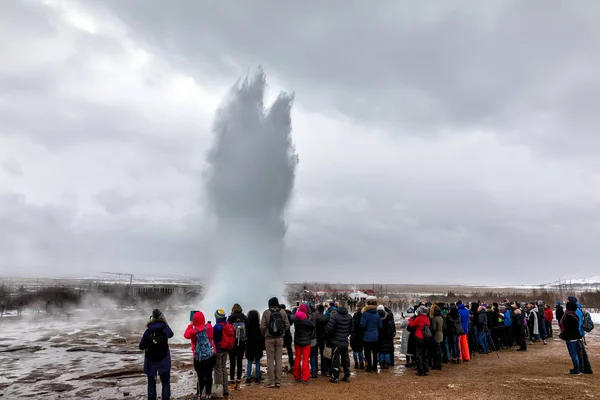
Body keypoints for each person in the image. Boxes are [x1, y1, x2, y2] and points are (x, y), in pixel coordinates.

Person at [139, 309, 174, 400]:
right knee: (165, 383)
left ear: (152, 318)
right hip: (164, 360)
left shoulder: (148, 330)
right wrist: (166, 322)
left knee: (151, 384)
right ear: (161, 317)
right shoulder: (165, 328)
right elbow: (171, 334)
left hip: (150, 362)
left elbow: (141, 346)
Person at [184, 311, 216, 400]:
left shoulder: (193, 331)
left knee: (200, 376)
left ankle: (199, 395)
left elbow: (186, 335)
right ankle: (208, 394)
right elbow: (209, 331)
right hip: (209, 356)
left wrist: (191, 324)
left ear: (194, 320)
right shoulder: (209, 327)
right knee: (209, 375)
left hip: (198, 357)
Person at [260, 297, 290, 388]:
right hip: (280, 338)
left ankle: (271, 382)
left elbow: (262, 326)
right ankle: (278, 381)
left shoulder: (266, 312)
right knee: (279, 360)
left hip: (269, 338)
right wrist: (282, 332)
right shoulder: (283, 312)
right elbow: (287, 325)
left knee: (270, 360)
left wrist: (264, 333)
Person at [324, 304, 353, 383]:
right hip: (344, 340)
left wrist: (330, 336)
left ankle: (335, 377)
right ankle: (347, 375)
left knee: (335, 359)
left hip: (336, 341)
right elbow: (351, 329)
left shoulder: (335, 316)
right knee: (345, 358)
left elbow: (330, 329)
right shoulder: (349, 317)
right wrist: (346, 335)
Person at [559, 301, 585, 375]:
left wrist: (563, 335)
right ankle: (578, 368)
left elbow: (567, 329)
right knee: (575, 353)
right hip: (576, 336)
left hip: (570, 338)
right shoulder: (575, 315)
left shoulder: (568, 317)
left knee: (573, 354)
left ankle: (576, 369)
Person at [213, 309, 234, 397]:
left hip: (218, 350)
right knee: (224, 368)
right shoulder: (228, 324)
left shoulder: (217, 327)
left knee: (218, 369)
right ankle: (225, 389)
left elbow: (214, 339)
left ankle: (219, 390)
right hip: (226, 350)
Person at [292, 306, 315, 383]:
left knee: (297, 358)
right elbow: (313, 326)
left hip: (297, 342)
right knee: (305, 360)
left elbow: (291, 315)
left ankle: (297, 376)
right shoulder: (307, 321)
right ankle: (305, 378)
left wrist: (294, 309)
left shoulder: (295, 319)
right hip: (306, 342)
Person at [227, 304, 247, 390]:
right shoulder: (244, 317)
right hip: (242, 343)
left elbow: (227, 329)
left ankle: (231, 382)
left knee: (232, 362)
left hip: (232, 343)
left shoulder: (230, 318)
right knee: (239, 362)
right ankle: (238, 383)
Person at [360, 297, 382, 373]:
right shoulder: (377, 314)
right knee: (375, 353)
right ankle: (375, 367)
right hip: (375, 336)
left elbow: (362, 325)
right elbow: (380, 325)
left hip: (366, 337)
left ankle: (369, 367)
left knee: (367, 353)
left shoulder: (365, 314)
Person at [409, 305, 430, 376]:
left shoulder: (418, 318)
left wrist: (410, 320)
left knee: (418, 354)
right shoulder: (427, 319)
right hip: (426, 338)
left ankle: (420, 371)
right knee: (425, 354)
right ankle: (425, 369)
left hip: (419, 337)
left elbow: (411, 325)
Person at [244, 310, 264, 385]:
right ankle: (257, 378)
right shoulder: (258, 327)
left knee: (249, 361)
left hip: (249, 345)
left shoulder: (247, 326)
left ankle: (248, 378)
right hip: (257, 345)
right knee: (257, 361)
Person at [376, 305, 395, 370]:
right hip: (387, 335)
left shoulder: (376, 315)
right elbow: (391, 324)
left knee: (380, 350)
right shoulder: (388, 315)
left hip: (379, 335)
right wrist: (392, 332)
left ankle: (381, 362)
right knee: (387, 350)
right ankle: (387, 362)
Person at [314, 304, 330, 376]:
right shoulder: (326, 317)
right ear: (323, 310)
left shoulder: (314, 317)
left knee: (315, 354)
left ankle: (315, 370)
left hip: (315, 337)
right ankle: (324, 370)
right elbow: (327, 329)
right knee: (323, 354)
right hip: (323, 337)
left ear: (317, 310)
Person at [280, 304, 295, 369]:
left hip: (280, 335)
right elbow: (291, 323)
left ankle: (278, 366)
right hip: (288, 334)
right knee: (289, 350)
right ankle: (291, 364)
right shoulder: (289, 314)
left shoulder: (278, 314)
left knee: (278, 351)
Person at [430, 306, 445, 370]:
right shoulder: (441, 318)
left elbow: (433, 329)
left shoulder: (435, 319)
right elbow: (444, 327)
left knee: (436, 352)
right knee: (439, 350)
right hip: (441, 335)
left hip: (436, 336)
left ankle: (436, 365)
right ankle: (439, 364)